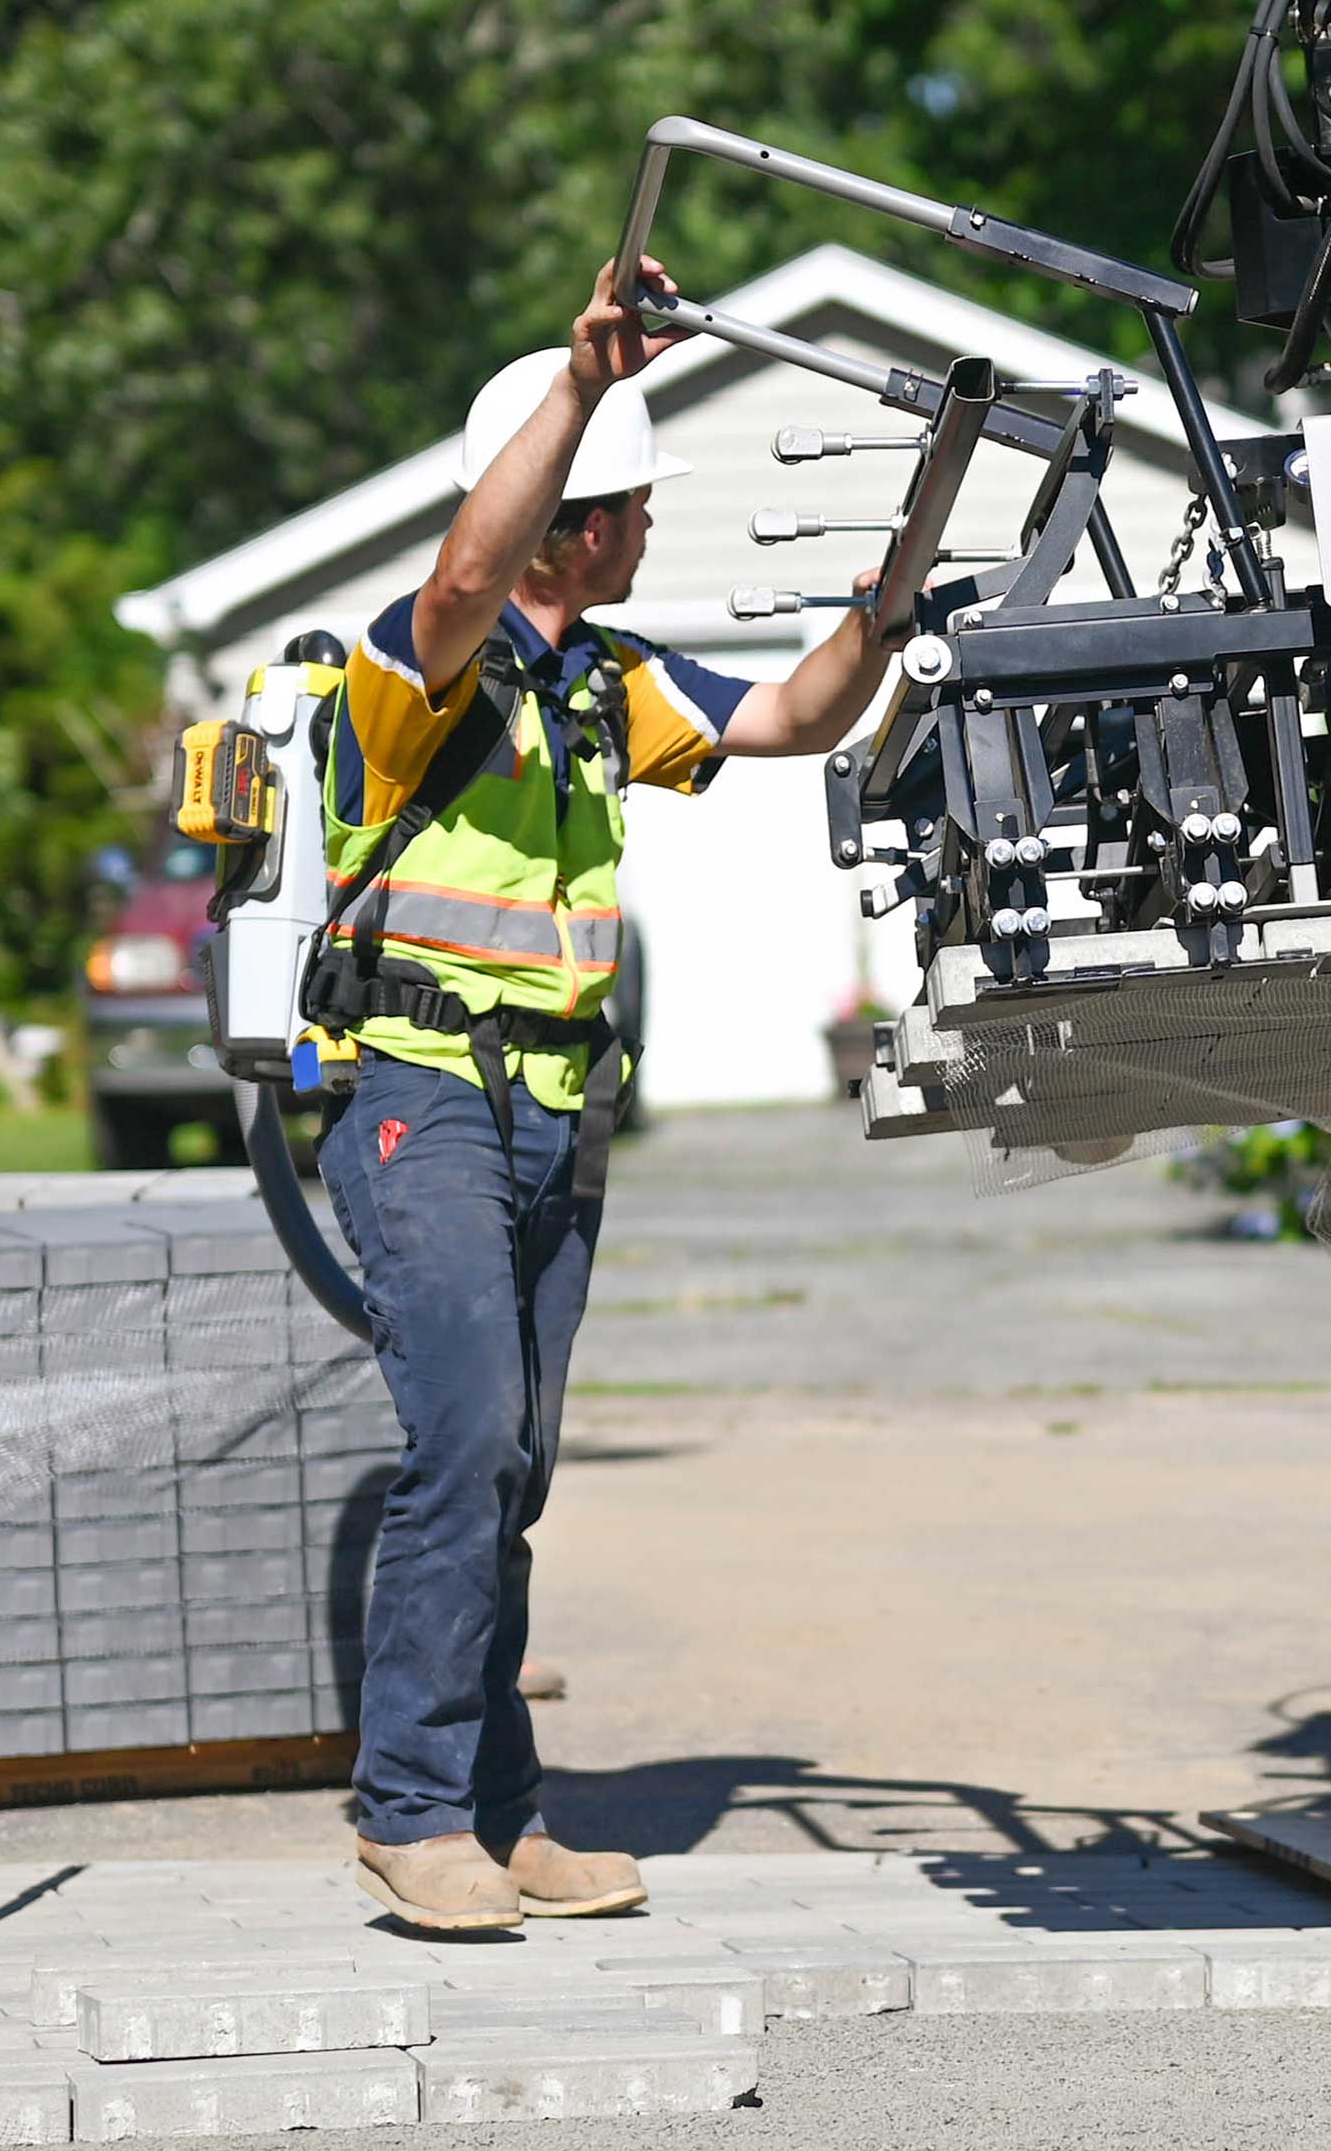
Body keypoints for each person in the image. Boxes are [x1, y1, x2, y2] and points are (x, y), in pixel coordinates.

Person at [320, 254, 895, 1932]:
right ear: (581, 518)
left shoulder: (606, 682)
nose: (645, 533)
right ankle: (409, 1809)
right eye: (630, 508)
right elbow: (460, 572)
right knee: (468, 1443)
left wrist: (889, 602)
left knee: (516, 1470)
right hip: (423, 1093)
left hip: (555, 1119)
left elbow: (793, 715)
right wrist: (581, 387)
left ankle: (499, 1821)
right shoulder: (420, 668)